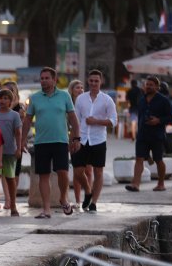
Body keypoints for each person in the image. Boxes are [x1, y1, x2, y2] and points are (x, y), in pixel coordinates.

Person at [21, 67, 81, 218]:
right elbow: (27, 120)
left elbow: (73, 118)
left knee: (63, 172)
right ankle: (46, 209)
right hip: (41, 142)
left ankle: (63, 198)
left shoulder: (64, 96)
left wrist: (76, 138)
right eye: (42, 78)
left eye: (47, 78)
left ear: (54, 80)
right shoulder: (34, 98)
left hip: (60, 140)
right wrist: (22, 140)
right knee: (43, 175)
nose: (44, 81)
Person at [72, 70, 117, 213]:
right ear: (87, 81)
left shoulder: (107, 99)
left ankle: (94, 202)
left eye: (96, 81)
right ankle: (88, 191)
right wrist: (73, 139)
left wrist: (96, 121)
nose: (93, 83)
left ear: (101, 82)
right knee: (78, 171)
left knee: (98, 172)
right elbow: (76, 121)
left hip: (98, 140)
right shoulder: (81, 99)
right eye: (91, 80)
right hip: (82, 139)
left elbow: (114, 121)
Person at [125, 75, 172, 193]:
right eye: (147, 84)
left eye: (151, 85)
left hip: (157, 135)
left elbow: (171, 117)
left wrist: (158, 120)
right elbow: (141, 116)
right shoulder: (141, 100)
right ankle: (135, 184)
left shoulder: (164, 100)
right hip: (142, 135)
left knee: (158, 159)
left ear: (157, 87)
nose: (148, 87)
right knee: (139, 159)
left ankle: (161, 184)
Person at [0, 89, 22, 216]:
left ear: (10, 101)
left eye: (6, 98)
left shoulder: (14, 115)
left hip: (10, 151)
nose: (2, 101)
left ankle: (13, 205)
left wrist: (18, 148)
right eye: (1, 98)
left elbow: (18, 133)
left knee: (10, 178)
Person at [68, 79, 87, 208]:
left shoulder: (88, 102)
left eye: (81, 87)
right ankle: (77, 200)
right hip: (73, 137)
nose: (80, 89)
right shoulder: (69, 104)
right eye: (77, 88)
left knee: (88, 171)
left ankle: (88, 197)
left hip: (88, 137)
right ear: (72, 91)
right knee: (77, 170)